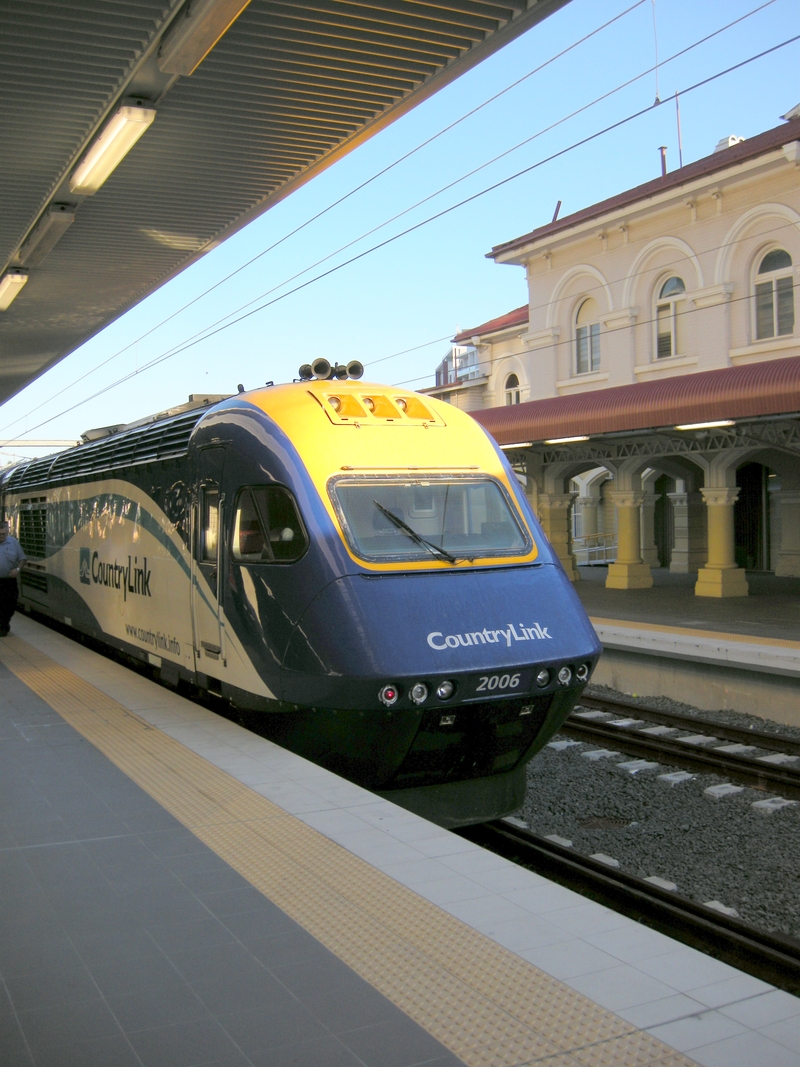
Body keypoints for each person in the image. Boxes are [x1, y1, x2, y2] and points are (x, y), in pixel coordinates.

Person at [0, 521, 26, 636]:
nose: (1, 536)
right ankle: (2, 626)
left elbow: (22, 559)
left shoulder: (14, 543)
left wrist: (18, 570)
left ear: (7, 532)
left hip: (8, 581)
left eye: (3, 534)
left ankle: (5, 623)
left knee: (10, 604)